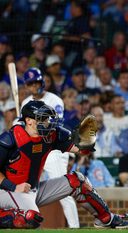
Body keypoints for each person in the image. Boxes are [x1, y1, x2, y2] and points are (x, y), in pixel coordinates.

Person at [0, 100, 128, 229]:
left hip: (33, 189)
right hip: (8, 192)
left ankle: (106, 219)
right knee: (30, 219)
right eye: (42, 119)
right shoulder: (9, 139)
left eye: (47, 118)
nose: (47, 122)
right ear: (29, 120)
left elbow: (80, 150)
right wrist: (13, 187)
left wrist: (87, 141)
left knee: (77, 181)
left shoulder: (51, 135)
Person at [21, 68, 79, 228]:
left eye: (37, 82)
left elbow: (55, 125)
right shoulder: (25, 103)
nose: (35, 86)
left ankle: (75, 227)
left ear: (42, 81)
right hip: (35, 149)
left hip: (53, 149)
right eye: (31, 83)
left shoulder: (55, 100)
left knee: (64, 190)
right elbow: (23, 129)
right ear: (27, 85)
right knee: (28, 189)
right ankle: (27, 225)